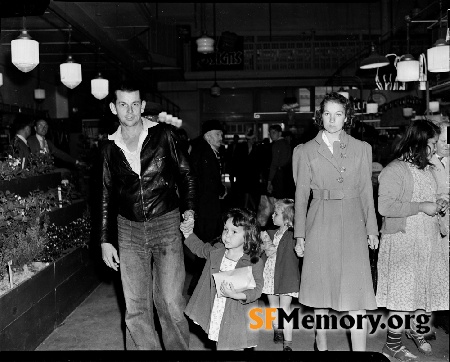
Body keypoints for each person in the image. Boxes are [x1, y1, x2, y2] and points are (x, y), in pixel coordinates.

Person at [99, 81, 196, 350]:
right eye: (122, 105)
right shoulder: (108, 148)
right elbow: (105, 195)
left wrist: (188, 209)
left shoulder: (164, 135)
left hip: (165, 222)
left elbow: (186, 174)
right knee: (136, 307)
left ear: (142, 106)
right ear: (113, 108)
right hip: (128, 229)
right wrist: (105, 240)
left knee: (171, 302)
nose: (129, 111)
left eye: (134, 104)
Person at [293, 92, 379, 352]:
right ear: (320, 116)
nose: (332, 119)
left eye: (338, 114)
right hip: (320, 221)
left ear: (346, 117)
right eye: (327, 114)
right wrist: (300, 235)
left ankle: (360, 353)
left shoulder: (362, 148)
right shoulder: (305, 151)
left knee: (358, 292)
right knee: (321, 289)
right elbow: (300, 197)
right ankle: (321, 346)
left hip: (354, 221)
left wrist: (372, 229)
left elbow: (366, 191)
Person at [376, 119, 449, 361]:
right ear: (418, 143)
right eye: (433, 143)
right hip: (403, 241)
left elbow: (430, 197)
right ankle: (392, 345)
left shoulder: (427, 169)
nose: (437, 147)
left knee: (421, 291)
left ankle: (416, 330)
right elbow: (385, 206)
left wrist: (439, 204)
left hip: (426, 239)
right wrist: (421, 206)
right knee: (402, 294)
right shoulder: (394, 170)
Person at [179, 207, 265, 350]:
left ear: (247, 236)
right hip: (218, 308)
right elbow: (200, 248)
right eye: (226, 229)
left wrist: (238, 295)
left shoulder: (253, 261)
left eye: (234, 231)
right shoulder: (217, 251)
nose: (227, 235)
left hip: (237, 312)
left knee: (233, 346)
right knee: (221, 343)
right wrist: (188, 234)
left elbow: (257, 289)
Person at [260, 198, 300, 351]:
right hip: (270, 276)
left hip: (286, 276)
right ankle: (277, 328)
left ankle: (288, 343)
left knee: (285, 309)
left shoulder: (293, 236)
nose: (272, 216)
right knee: (273, 307)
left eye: (276, 213)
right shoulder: (270, 234)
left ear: (287, 217)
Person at [267, 124, 294, 200]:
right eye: (270, 133)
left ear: (280, 133)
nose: (271, 135)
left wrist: (269, 180)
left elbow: (274, 163)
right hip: (288, 174)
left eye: (273, 132)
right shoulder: (287, 143)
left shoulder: (276, 145)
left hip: (279, 175)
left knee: (278, 198)